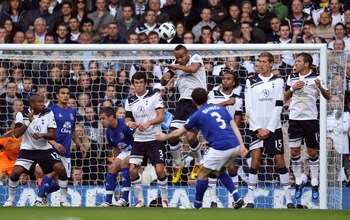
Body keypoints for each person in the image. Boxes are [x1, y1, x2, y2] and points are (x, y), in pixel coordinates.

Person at [156, 87, 247, 209]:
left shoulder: (197, 115)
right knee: (219, 171)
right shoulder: (221, 109)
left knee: (202, 174)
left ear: (193, 101)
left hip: (221, 147)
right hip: (235, 145)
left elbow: (179, 133)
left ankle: (197, 205)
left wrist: (165, 136)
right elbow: (234, 127)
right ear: (207, 98)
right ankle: (237, 198)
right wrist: (242, 145)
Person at [245, 52, 294, 209]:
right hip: (255, 127)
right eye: (260, 61)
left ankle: (289, 200)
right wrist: (259, 127)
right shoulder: (250, 81)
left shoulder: (279, 81)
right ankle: (250, 200)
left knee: (280, 161)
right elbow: (249, 106)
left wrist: (269, 128)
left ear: (271, 63)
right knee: (255, 160)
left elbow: (279, 105)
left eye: (265, 62)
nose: (261, 64)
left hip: (274, 127)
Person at [3, 94, 70, 207]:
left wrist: (42, 135)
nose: (43, 104)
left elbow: (53, 135)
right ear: (33, 104)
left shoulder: (49, 113)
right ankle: (10, 200)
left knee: (61, 169)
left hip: (44, 149)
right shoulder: (22, 114)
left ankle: (63, 200)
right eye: (40, 102)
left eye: (43, 102)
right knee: (15, 173)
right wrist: (28, 122)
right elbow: (16, 134)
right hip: (27, 150)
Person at [284, 52, 331, 200]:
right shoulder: (291, 77)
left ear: (306, 64)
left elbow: (328, 96)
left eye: (298, 61)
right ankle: (298, 182)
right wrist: (292, 89)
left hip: (310, 119)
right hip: (294, 120)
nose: (295, 63)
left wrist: (320, 88)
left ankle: (315, 183)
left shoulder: (317, 77)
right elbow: (284, 97)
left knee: (312, 152)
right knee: (294, 152)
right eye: (295, 61)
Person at [161, 44, 207, 183]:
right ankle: (178, 163)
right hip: (182, 103)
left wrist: (175, 67)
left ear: (187, 53)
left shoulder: (196, 58)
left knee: (191, 137)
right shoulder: (176, 65)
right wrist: (166, 75)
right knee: (172, 135)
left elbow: (193, 69)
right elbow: (163, 82)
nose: (180, 59)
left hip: (197, 102)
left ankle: (199, 161)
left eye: (181, 56)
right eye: (177, 58)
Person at [34, 86, 87, 206]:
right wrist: (54, 143)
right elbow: (44, 131)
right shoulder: (50, 111)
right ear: (57, 95)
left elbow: (72, 131)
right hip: (52, 148)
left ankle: (43, 193)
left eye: (67, 93)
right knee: (53, 172)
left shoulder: (72, 111)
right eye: (62, 93)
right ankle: (41, 199)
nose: (65, 95)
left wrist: (80, 145)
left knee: (60, 182)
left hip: (65, 150)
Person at [125, 71, 168, 207]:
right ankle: (140, 200)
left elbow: (161, 117)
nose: (139, 85)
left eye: (141, 82)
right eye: (136, 83)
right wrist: (130, 123)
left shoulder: (155, 96)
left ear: (145, 83)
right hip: (139, 140)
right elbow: (127, 119)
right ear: (133, 84)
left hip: (155, 138)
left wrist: (148, 123)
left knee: (160, 170)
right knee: (132, 170)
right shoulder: (130, 100)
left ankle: (165, 199)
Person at [206, 69, 246, 207]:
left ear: (234, 82)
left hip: (230, 136)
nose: (225, 81)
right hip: (214, 135)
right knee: (213, 167)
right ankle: (213, 200)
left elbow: (238, 117)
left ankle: (234, 199)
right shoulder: (213, 93)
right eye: (224, 78)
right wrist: (226, 103)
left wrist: (231, 132)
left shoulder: (238, 98)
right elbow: (207, 109)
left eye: (229, 78)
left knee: (232, 167)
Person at [99, 106, 134, 207]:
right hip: (125, 151)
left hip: (136, 149)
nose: (102, 121)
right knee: (111, 168)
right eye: (100, 119)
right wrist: (115, 162)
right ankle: (108, 201)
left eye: (103, 118)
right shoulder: (108, 131)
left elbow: (136, 137)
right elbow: (115, 148)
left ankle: (125, 199)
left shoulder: (124, 123)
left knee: (124, 163)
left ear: (111, 117)